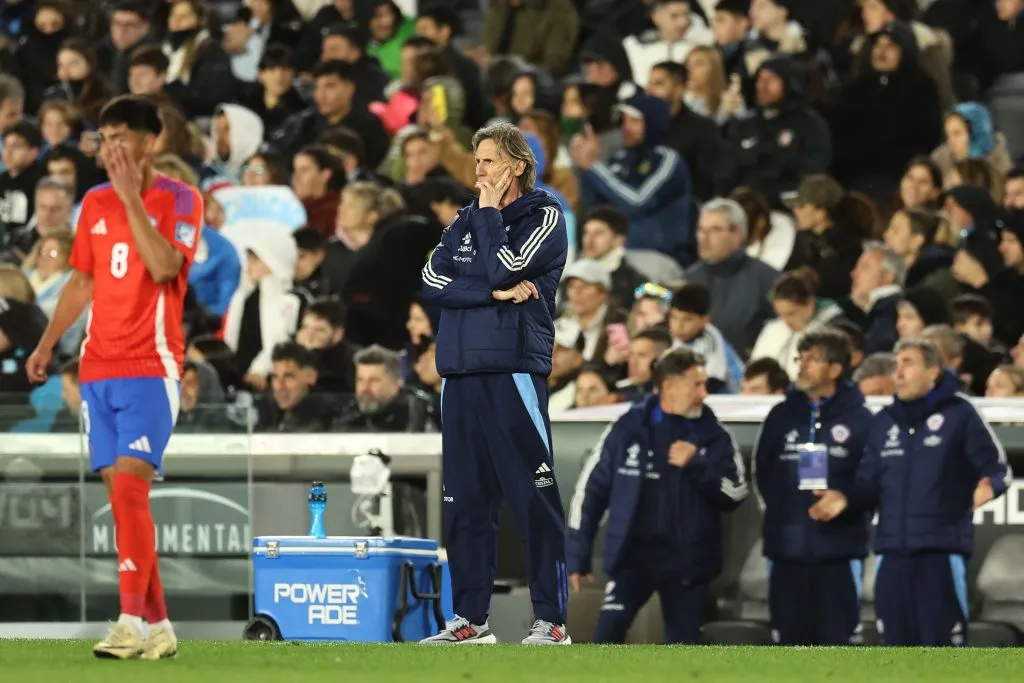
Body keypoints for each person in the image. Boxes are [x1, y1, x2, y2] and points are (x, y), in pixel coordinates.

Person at [26, 95, 203, 660]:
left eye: (120, 137)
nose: (109, 149)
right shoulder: (94, 202)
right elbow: (81, 281)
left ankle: (127, 621)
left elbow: (163, 266)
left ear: (151, 141)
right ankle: (161, 626)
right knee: (124, 503)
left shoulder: (180, 198)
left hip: (151, 367)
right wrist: (49, 343)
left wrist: (132, 201)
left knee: (129, 490)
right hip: (97, 369)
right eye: (102, 138)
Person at [418, 122, 570, 645]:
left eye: (489, 161)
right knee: (465, 503)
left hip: (513, 371)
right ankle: (470, 621)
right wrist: (491, 294)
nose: (478, 171)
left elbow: (508, 268)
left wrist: (487, 221)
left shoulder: (546, 217)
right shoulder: (463, 220)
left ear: (518, 167)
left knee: (533, 500)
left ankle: (551, 622)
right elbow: (431, 282)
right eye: (476, 160)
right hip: (458, 374)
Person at [810, 337, 1013, 647]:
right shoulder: (884, 422)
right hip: (891, 557)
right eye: (896, 364)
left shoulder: (960, 414)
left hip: (940, 553)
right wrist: (845, 498)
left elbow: (998, 469)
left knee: (944, 656)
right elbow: (868, 485)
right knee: (894, 654)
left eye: (908, 363)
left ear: (933, 372)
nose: (899, 371)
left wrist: (988, 486)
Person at [566, 347, 747, 643]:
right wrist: (577, 553)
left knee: (684, 647)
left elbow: (737, 493)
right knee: (607, 635)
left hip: (689, 562)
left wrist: (697, 465)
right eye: (696, 385)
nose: (704, 394)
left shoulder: (715, 435)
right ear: (669, 386)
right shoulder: (627, 429)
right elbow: (591, 492)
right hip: (634, 556)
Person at [753, 329, 873, 645]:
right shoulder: (781, 415)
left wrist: (846, 499)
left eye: (813, 359)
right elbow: (763, 472)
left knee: (838, 647)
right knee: (789, 647)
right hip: (786, 551)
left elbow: (875, 479)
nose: (802, 365)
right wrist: (783, 515)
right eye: (800, 358)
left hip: (839, 551)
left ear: (835, 370)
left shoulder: (861, 420)